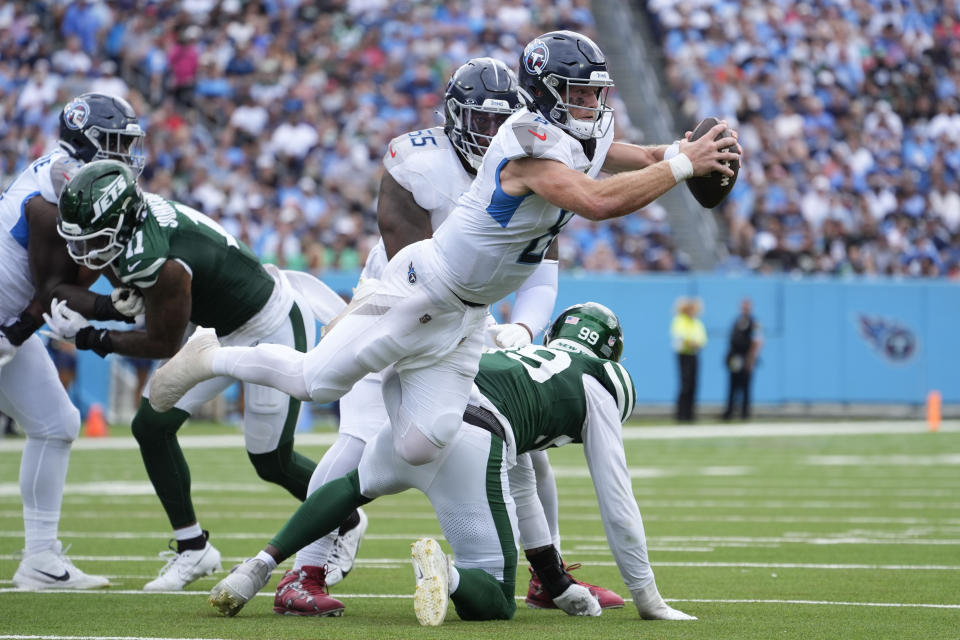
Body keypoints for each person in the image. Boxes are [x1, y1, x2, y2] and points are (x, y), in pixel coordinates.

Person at [149, 29, 737, 498]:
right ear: (543, 92)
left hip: (468, 310)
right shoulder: (525, 145)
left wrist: (685, 151)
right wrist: (683, 167)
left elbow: (634, 156)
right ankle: (213, 356)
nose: (590, 104)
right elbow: (599, 201)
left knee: (424, 443)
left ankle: (406, 517)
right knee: (316, 381)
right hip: (420, 287)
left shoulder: (581, 131)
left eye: (594, 93)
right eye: (576, 92)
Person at [273, 57, 619, 616]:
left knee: (523, 451)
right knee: (360, 440)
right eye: (480, 123)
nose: (490, 135)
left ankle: (548, 578)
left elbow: (542, 270)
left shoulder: (536, 157)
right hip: (396, 308)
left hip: (467, 323)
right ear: (455, 118)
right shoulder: (418, 163)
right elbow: (413, 261)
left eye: (499, 122)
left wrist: (522, 332)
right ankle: (302, 572)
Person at [206, 302, 695, 625]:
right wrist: (647, 598)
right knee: (499, 603)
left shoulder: (520, 349)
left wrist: (557, 580)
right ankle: (447, 572)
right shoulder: (600, 380)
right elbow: (617, 498)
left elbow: (523, 477)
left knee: (355, 484)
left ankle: (258, 565)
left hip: (422, 406)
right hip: (473, 440)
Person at [43, 159, 345, 591]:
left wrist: (91, 336)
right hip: (216, 332)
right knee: (152, 424)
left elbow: (162, 343)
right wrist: (112, 306)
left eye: (95, 237)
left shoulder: (162, 260)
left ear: (124, 221)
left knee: (270, 461)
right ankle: (193, 548)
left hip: (269, 326)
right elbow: (139, 296)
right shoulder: (136, 230)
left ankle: (346, 517)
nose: (86, 250)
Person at [0, 92, 146, 590]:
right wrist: (111, 302)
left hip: (8, 324)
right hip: (6, 320)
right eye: (114, 142)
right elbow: (61, 283)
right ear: (85, 136)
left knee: (56, 423)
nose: (124, 154)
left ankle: (40, 558)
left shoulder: (68, 172)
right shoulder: (67, 178)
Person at [722, 298, 763, 420]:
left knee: (745, 386)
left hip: (746, 358)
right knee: (732, 385)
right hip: (735, 358)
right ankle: (729, 412)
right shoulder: (737, 320)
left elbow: (758, 341)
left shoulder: (754, 322)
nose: (745, 309)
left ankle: (745, 414)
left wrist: (751, 359)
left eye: (747, 306)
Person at [671, 297, 707, 422]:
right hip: (683, 355)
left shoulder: (697, 323)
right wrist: (692, 343)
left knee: (693, 384)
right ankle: (681, 414)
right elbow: (682, 338)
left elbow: (702, 341)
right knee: (685, 384)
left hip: (693, 355)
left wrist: (693, 343)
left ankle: (690, 414)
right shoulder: (680, 320)